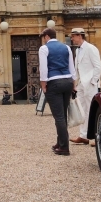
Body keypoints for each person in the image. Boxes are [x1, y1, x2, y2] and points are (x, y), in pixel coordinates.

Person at [38, 27, 75, 156]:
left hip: (54, 82)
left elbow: (43, 69)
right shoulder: (67, 47)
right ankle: (60, 142)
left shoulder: (44, 49)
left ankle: (64, 147)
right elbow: (72, 67)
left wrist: (43, 85)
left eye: (43, 38)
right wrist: (73, 83)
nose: (43, 40)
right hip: (68, 81)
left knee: (58, 116)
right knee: (62, 114)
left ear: (46, 36)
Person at [69, 28, 101, 146]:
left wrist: (93, 82)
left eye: (73, 36)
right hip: (81, 85)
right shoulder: (78, 51)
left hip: (90, 84)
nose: (71, 38)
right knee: (82, 110)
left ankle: (95, 137)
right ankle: (83, 136)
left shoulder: (91, 48)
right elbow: (78, 67)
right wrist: (75, 83)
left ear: (79, 36)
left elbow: (98, 67)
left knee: (92, 110)